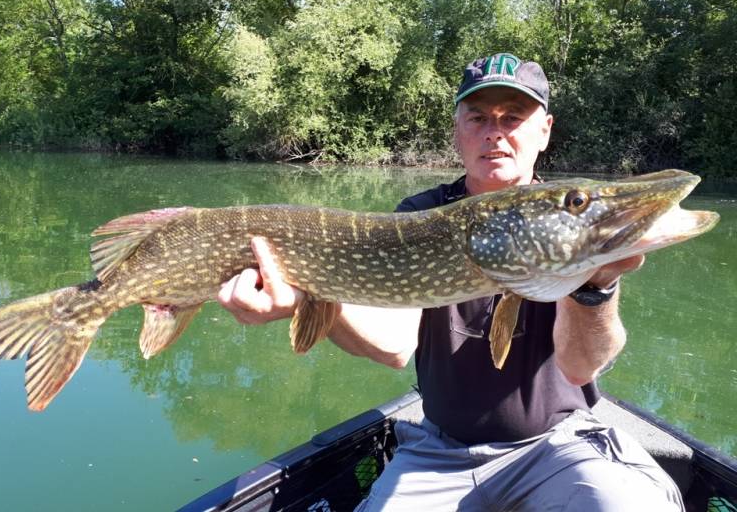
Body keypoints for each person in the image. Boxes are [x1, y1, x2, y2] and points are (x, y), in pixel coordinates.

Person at [218, 53, 684, 511]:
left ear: (544, 131)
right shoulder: (419, 216)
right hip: (438, 453)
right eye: (478, 117)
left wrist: (595, 285)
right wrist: (311, 292)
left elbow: (581, 368)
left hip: (556, 445)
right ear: (458, 130)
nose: (494, 132)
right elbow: (394, 345)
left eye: (514, 117)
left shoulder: (565, 220)